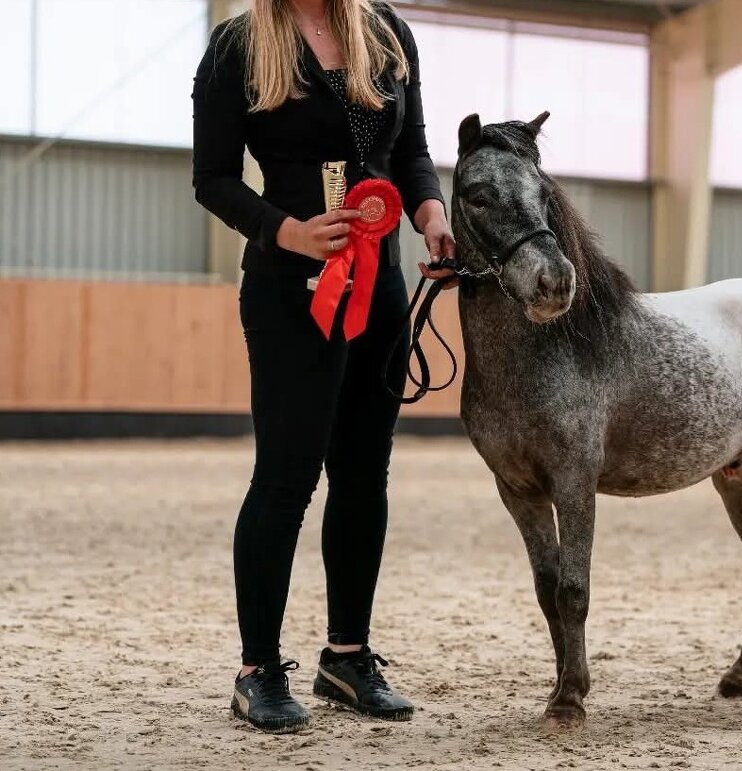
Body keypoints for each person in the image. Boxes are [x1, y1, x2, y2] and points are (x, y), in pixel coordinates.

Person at [192, 0, 456, 734]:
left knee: (364, 472)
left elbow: (411, 154)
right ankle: (258, 670)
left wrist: (431, 213)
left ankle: (347, 654)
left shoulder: (387, 31)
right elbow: (212, 177)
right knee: (284, 479)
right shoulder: (239, 46)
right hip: (288, 288)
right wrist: (288, 231)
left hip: (382, 284)